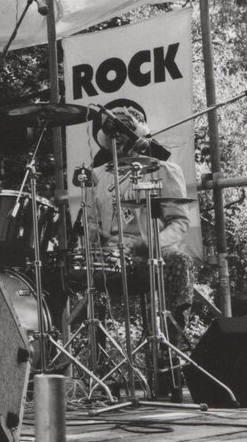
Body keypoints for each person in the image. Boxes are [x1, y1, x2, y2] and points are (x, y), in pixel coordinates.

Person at [84, 99, 200, 340]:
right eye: (111, 131)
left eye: (123, 130)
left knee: (181, 261)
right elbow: (90, 221)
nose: (116, 137)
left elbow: (179, 222)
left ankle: (171, 342)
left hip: (151, 253)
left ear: (137, 134)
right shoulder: (97, 175)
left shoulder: (164, 170)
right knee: (74, 269)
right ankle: (96, 349)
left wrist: (151, 243)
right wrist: (94, 234)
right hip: (111, 255)